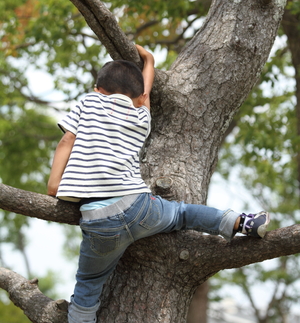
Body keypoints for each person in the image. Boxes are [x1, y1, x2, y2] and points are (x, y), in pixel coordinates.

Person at [47, 44, 270, 323]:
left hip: (99, 220)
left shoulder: (88, 103)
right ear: (138, 98)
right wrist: (149, 61)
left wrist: (55, 184)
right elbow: (145, 94)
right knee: (183, 213)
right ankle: (242, 222)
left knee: (88, 287)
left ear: (97, 88)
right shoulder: (141, 117)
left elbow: (67, 140)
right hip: (140, 207)